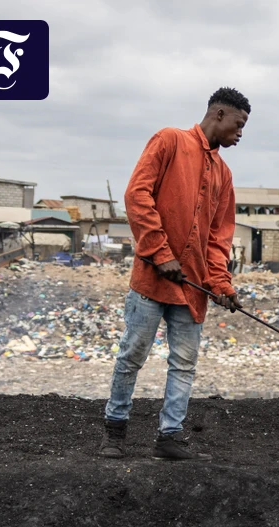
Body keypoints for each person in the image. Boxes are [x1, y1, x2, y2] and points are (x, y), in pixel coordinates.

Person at [98, 87, 249, 462]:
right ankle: (114, 431)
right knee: (132, 355)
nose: (241, 132)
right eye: (239, 123)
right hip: (152, 280)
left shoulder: (224, 175)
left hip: (192, 289)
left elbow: (218, 239)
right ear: (218, 114)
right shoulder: (169, 140)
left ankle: (170, 436)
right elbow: (137, 195)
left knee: (183, 364)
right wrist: (159, 252)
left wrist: (221, 285)